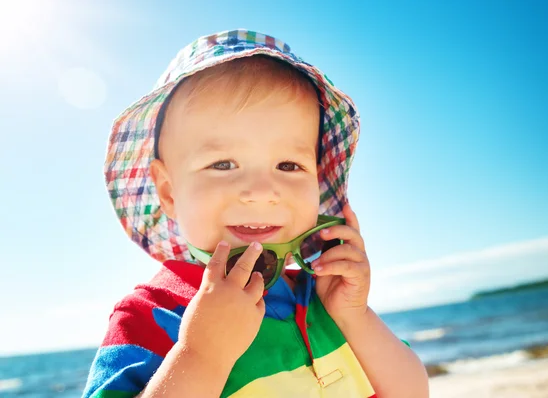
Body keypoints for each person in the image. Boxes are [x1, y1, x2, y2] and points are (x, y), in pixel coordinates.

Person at [82, 29, 429, 398]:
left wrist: (355, 316)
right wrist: (201, 355)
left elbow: (413, 392)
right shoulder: (152, 314)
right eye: (223, 163)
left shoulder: (323, 297)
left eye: (288, 165)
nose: (262, 193)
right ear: (168, 192)